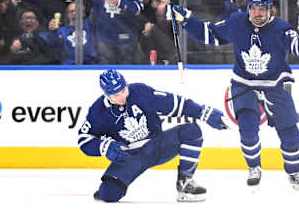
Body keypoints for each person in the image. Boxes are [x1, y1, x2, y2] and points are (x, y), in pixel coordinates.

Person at [166, 0, 299, 191]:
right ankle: (254, 167)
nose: (258, 13)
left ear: (270, 9)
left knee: (289, 130)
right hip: (244, 84)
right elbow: (210, 34)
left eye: (262, 9)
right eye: (254, 8)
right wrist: (187, 19)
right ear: (248, 8)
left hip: (274, 84)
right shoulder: (237, 22)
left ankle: (294, 173)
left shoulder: (281, 28)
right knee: (247, 130)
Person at [77, 69, 228, 202]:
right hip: (129, 157)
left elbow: (173, 103)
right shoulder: (98, 111)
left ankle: (185, 182)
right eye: (116, 94)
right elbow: (84, 140)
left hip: (156, 145)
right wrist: (105, 147)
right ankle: (107, 190)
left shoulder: (140, 92)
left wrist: (203, 112)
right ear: (106, 93)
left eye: (123, 90)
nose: (122, 96)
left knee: (192, 131)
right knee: (109, 195)